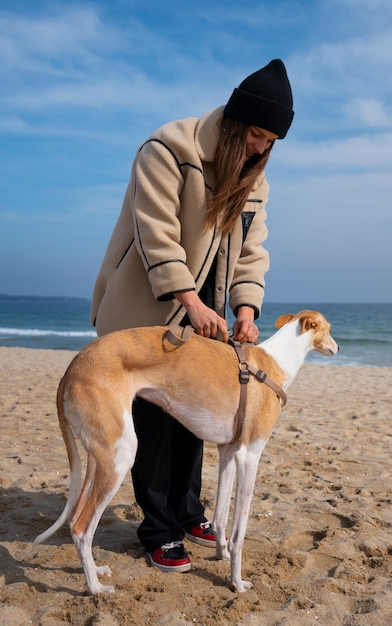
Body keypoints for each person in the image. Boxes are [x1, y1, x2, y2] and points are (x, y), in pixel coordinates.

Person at [91, 59, 294, 573]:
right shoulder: (167, 148)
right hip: (149, 302)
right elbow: (154, 232)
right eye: (256, 134)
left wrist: (245, 309)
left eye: (272, 140)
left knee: (194, 413)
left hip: (207, 302)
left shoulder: (255, 176)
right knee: (155, 420)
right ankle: (158, 529)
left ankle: (187, 511)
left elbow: (252, 250)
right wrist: (193, 301)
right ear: (233, 122)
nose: (262, 148)